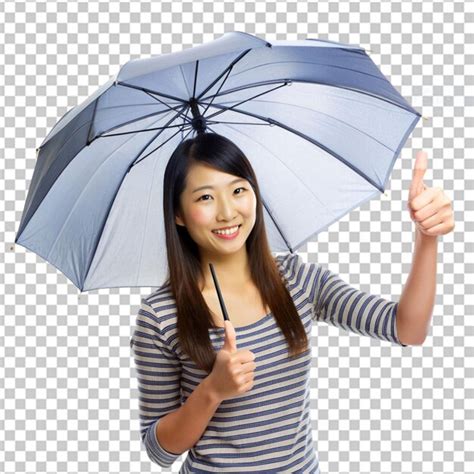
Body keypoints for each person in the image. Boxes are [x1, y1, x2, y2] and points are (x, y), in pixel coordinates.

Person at [130, 132, 408, 473]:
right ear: (178, 214)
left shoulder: (297, 281)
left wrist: (427, 239)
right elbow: (159, 451)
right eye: (205, 197)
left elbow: (403, 327)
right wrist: (212, 391)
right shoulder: (159, 316)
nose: (227, 211)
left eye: (238, 190)